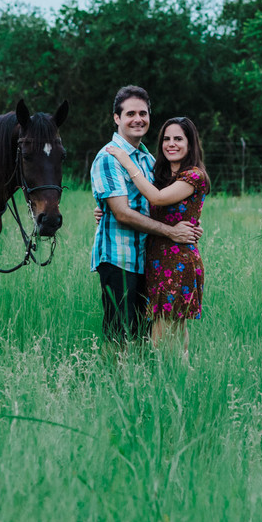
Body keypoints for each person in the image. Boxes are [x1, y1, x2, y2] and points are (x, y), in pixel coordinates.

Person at [90, 86, 200, 345]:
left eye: (143, 113)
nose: (137, 119)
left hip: (147, 260)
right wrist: (172, 232)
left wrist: (191, 224)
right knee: (119, 334)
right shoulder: (109, 157)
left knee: (143, 336)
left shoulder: (148, 159)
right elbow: (122, 214)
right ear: (117, 118)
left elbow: (161, 202)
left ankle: (144, 373)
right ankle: (112, 372)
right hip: (119, 257)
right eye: (130, 114)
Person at [105, 116, 209, 355]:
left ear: (191, 143)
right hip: (157, 260)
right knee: (173, 332)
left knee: (161, 337)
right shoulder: (161, 175)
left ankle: (162, 374)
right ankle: (179, 373)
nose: (171, 144)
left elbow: (157, 198)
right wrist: (107, 209)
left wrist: (127, 161)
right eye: (166, 139)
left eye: (178, 139)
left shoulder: (194, 175)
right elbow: (150, 207)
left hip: (178, 262)